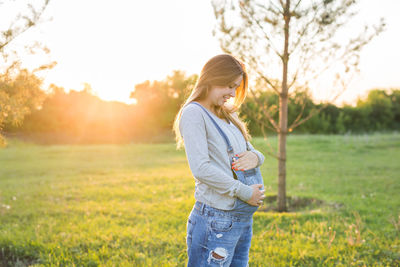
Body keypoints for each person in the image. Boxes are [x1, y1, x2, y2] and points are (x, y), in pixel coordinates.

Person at [173, 54, 266, 266]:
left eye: (236, 87)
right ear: (212, 79)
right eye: (229, 86)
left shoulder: (225, 115)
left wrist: (256, 157)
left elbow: (249, 150)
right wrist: (245, 192)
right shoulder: (195, 113)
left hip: (240, 218)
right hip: (216, 219)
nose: (232, 94)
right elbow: (201, 169)